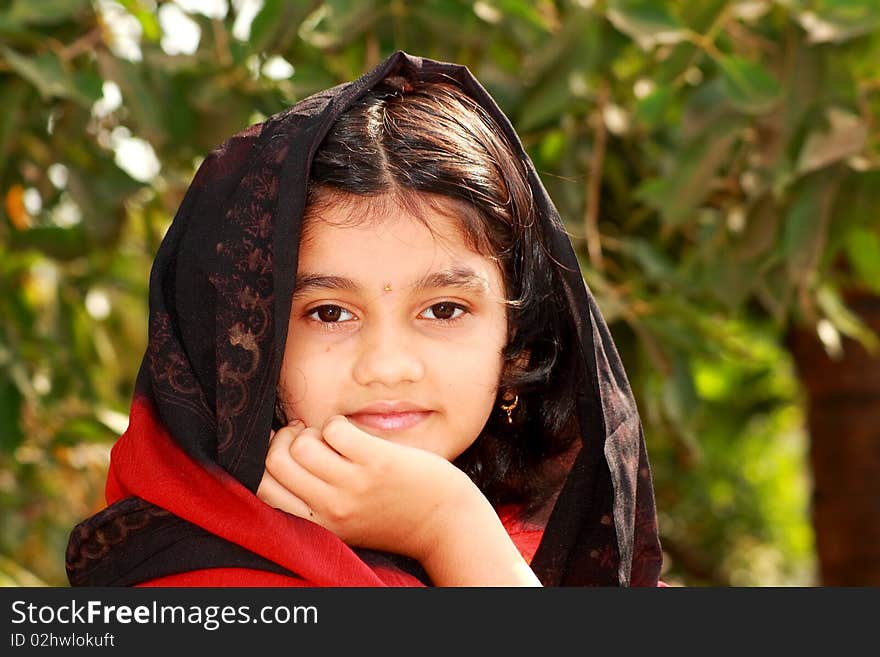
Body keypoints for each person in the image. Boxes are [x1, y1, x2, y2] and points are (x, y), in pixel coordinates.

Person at [66, 51, 663, 587]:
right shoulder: (204, 589)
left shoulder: (570, 555)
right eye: (329, 313)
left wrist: (455, 526)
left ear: (517, 346)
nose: (387, 366)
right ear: (241, 344)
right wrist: (446, 526)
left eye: (444, 309)